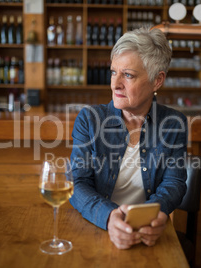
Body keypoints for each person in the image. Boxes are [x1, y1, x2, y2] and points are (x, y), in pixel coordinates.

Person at [69, 27, 188, 249]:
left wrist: (155, 215)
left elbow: (174, 183)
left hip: (147, 233)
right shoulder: (89, 119)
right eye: (114, 72)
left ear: (157, 81)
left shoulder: (174, 123)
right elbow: (77, 183)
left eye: (128, 75)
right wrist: (109, 216)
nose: (115, 84)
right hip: (95, 225)